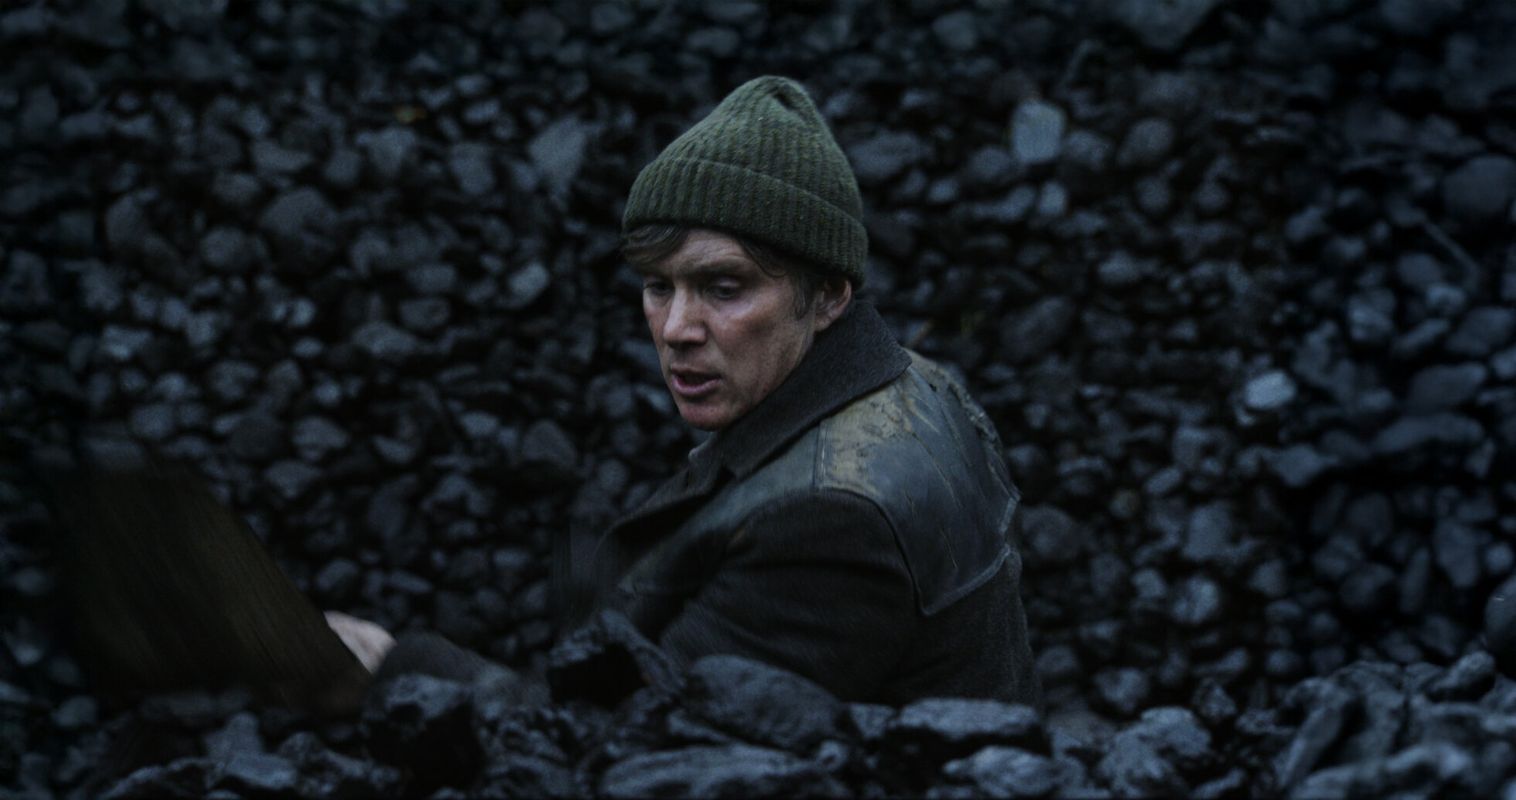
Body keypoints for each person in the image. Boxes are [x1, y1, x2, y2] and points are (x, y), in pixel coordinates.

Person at [332, 75, 1037, 705]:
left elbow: (639, 756)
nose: (675, 329)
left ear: (827, 295)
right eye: (657, 286)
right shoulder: (918, 383)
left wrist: (401, 671)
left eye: (723, 288)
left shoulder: (829, 519)